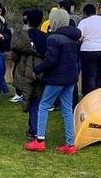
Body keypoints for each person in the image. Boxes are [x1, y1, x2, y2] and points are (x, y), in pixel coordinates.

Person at [24, 8, 82, 154]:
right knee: (67, 109)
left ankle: (40, 140)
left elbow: (51, 61)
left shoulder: (53, 38)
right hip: (70, 78)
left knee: (43, 105)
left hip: (56, 78)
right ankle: (70, 144)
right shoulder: (74, 38)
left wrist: (37, 70)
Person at [11, 8, 47, 143]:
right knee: (38, 100)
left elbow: (14, 55)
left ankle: (34, 131)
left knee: (30, 99)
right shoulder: (45, 37)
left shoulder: (21, 36)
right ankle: (37, 130)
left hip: (25, 71)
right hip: (40, 71)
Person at [77, 3, 101, 96]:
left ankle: (88, 100)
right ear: (95, 11)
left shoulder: (84, 21)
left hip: (88, 50)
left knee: (89, 76)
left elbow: (79, 37)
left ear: (84, 13)